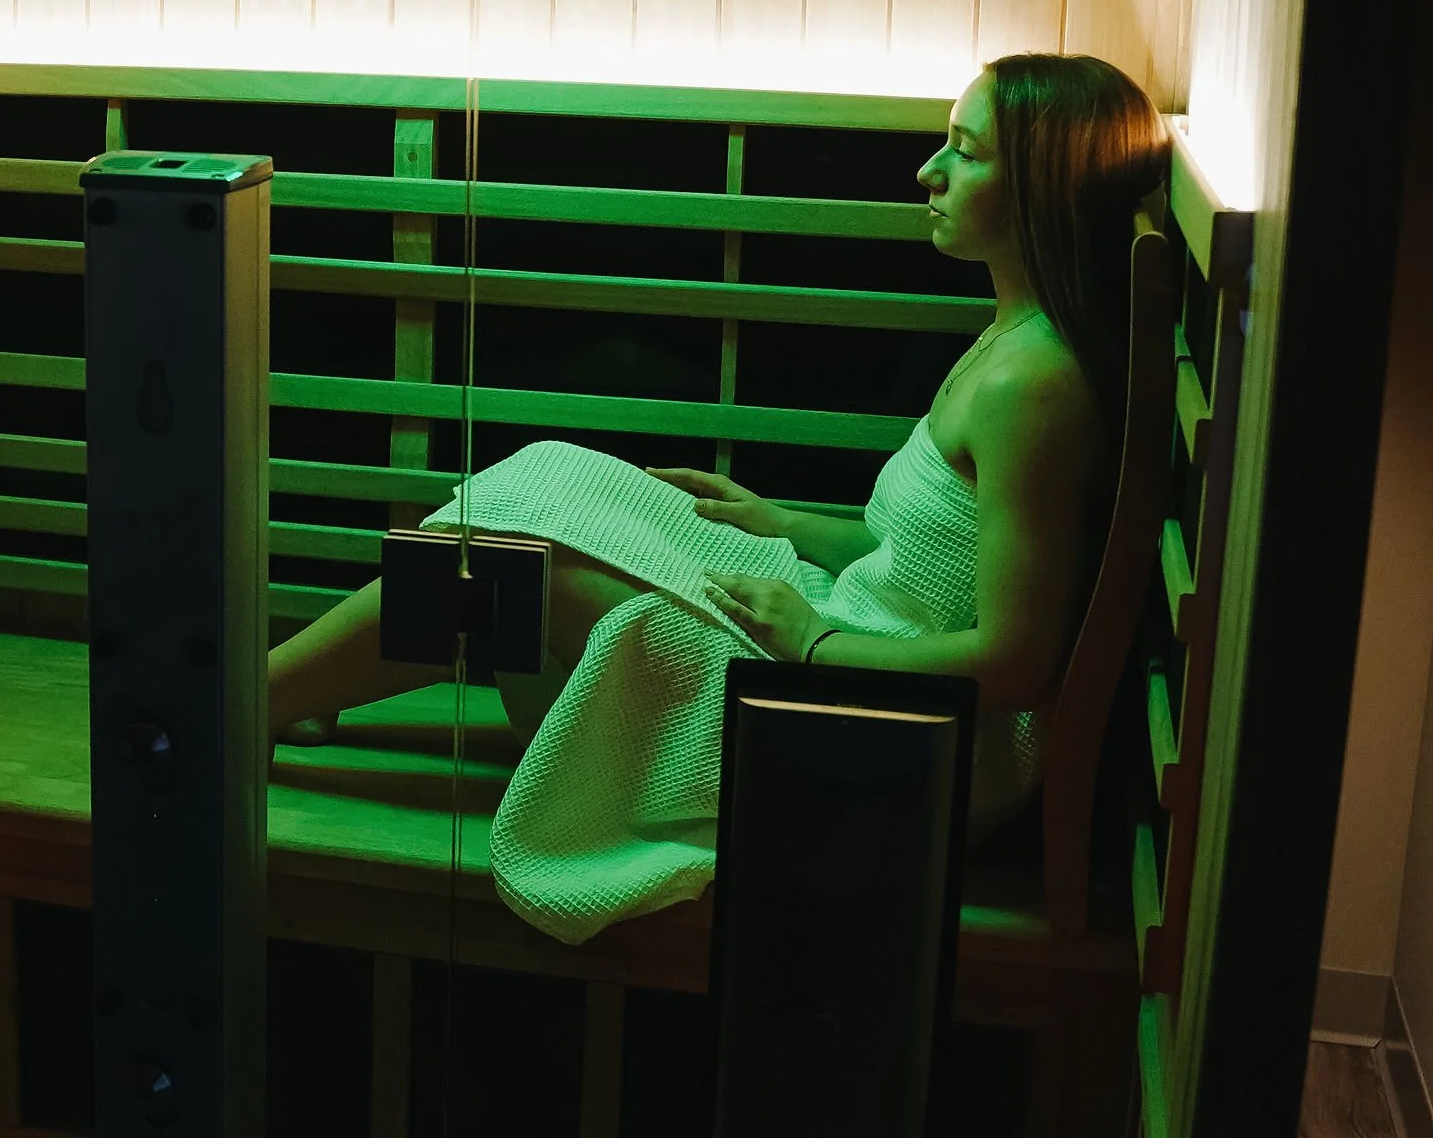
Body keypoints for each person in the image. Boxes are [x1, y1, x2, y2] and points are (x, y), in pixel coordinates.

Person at [265, 53, 1170, 940]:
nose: (928, 170)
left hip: (892, 749)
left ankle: (247, 703)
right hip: (865, 660)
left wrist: (814, 642)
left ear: (1042, 190)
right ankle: (294, 689)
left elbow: (1017, 658)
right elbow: (938, 567)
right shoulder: (1015, 342)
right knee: (555, 475)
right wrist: (783, 523)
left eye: (966, 153)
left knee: (505, 572)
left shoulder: (1034, 390)